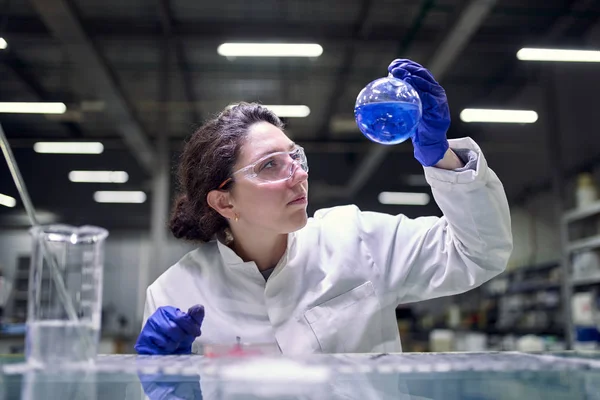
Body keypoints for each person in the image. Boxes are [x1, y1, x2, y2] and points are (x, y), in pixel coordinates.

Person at [134, 59, 513, 355]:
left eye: (294, 157)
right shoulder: (175, 295)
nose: (298, 175)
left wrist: (440, 156)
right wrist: (168, 382)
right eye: (270, 165)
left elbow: (480, 253)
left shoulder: (357, 238)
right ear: (224, 201)